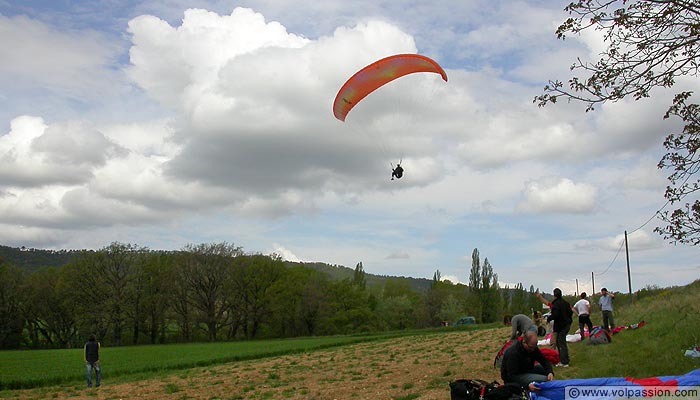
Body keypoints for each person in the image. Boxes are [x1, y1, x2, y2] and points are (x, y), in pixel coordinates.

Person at [547, 288, 572, 367]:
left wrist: (549, 318)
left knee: (561, 343)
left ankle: (564, 362)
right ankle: (564, 359)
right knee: (560, 342)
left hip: (561, 326)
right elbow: (570, 312)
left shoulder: (556, 304)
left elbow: (555, 314)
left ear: (555, 295)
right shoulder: (566, 303)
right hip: (567, 324)